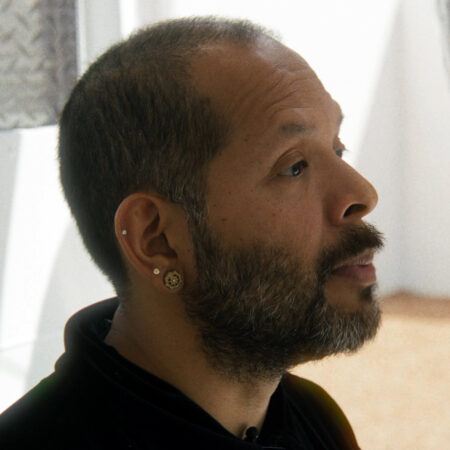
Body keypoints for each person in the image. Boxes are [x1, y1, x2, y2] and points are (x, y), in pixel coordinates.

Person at [0, 16, 385, 449]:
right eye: (294, 166)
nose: (362, 193)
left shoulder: (314, 418)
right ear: (157, 240)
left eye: (337, 147)